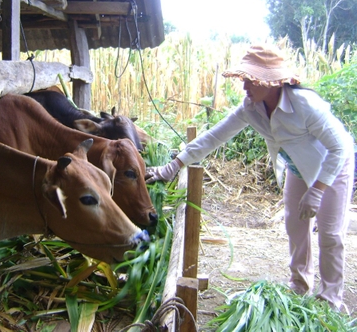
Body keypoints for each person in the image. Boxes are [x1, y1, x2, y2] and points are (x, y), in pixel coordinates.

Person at [146, 44, 355, 311]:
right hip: (298, 168)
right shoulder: (251, 108)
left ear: (271, 82)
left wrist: (318, 190)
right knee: (294, 225)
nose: (245, 86)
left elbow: (342, 147)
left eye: (250, 80)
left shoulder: (304, 105)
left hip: (332, 166)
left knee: (329, 234)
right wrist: (173, 165)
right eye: (244, 79)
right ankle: (300, 285)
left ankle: (330, 300)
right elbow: (215, 136)